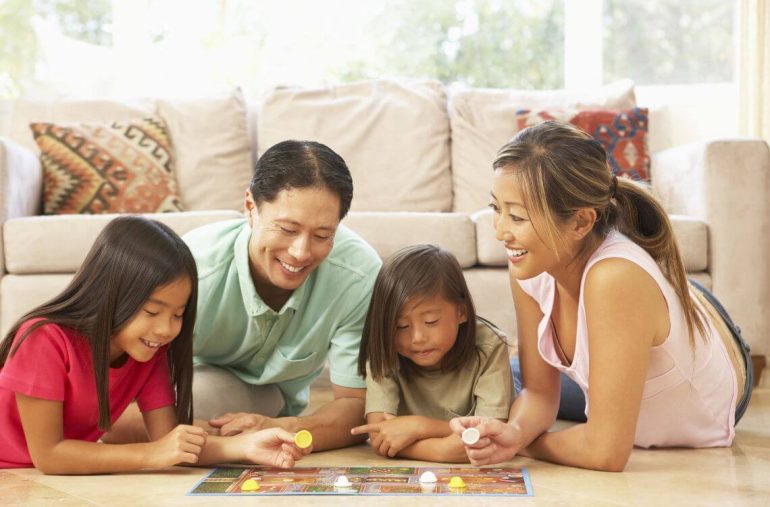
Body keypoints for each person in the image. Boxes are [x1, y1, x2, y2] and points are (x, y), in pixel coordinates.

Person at [450, 121, 753, 472]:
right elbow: (540, 394)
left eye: (516, 216)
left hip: (716, 354)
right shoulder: (530, 265)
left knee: (513, 380)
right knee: (509, 374)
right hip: (628, 316)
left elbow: (605, 452)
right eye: (496, 209)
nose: (501, 231)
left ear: (581, 222)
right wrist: (514, 431)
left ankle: (663, 294)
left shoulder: (614, 280)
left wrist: (524, 445)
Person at [0, 216, 310, 473]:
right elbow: (50, 456)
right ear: (111, 294)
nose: (165, 329)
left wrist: (244, 446)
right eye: (151, 311)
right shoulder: (42, 339)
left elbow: (170, 441)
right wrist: (152, 454)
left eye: (178, 314)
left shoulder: (148, 352)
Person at [182, 140, 382, 451]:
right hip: (192, 386)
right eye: (287, 229)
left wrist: (281, 428)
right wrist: (233, 441)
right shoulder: (192, 268)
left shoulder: (358, 275)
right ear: (251, 208)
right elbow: (127, 405)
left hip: (278, 402)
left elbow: (356, 408)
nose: (301, 253)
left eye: (322, 235)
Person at [351, 244, 513, 462]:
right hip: (456, 428)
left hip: (507, 377)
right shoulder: (384, 347)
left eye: (431, 321)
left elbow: (490, 438)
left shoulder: (490, 346)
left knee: (524, 389)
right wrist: (449, 445)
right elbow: (381, 436)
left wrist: (418, 427)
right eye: (401, 326)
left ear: (462, 312)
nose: (417, 338)